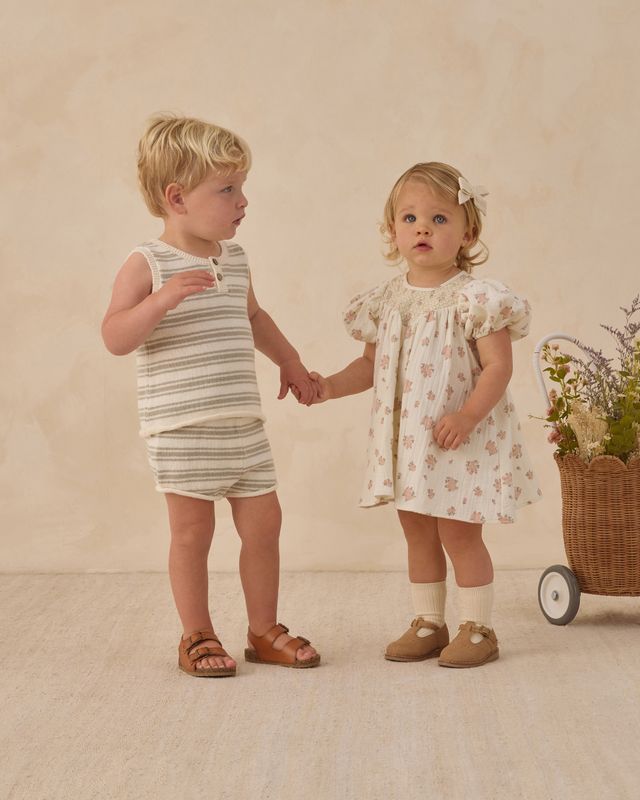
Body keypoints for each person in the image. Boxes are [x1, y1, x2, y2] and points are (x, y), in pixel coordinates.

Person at [102, 114, 320, 676]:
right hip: (183, 429)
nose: (242, 201)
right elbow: (115, 337)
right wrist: (159, 301)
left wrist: (291, 361)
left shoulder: (234, 260)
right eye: (227, 190)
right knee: (193, 534)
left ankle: (263, 629)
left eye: (241, 187)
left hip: (242, 426)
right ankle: (196, 634)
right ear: (177, 198)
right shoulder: (148, 264)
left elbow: (254, 317)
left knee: (265, 525)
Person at [310, 162, 541, 668]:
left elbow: (498, 367)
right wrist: (327, 387)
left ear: (467, 232)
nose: (422, 229)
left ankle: (478, 627)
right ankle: (429, 622)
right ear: (392, 230)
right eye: (410, 217)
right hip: (411, 442)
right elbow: (370, 366)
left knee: (459, 532)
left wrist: (468, 415)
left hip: (460, 434)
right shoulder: (387, 299)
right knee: (416, 526)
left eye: (439, 219)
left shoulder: (476, 299)